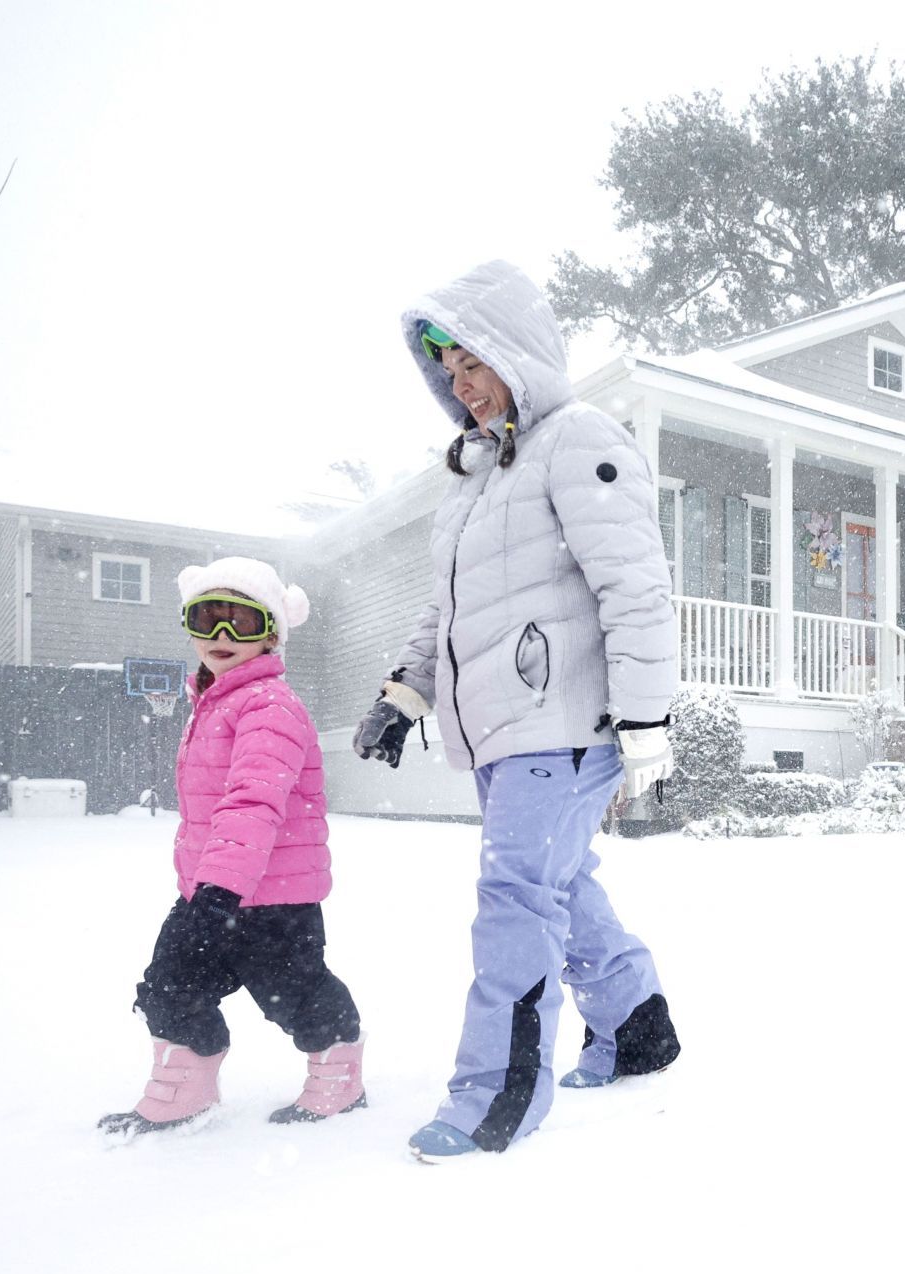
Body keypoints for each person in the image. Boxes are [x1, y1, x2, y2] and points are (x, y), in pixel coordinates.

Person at [352, 260, 681, 1163]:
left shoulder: (577, 439)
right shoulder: (476, 478)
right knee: (556, 886)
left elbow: (636, 585)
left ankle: (498, 1094)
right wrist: (403, 695)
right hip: (502, 732)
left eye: (474, 363)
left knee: (515, 899)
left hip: (565, 723)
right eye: (447, 372)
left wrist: (647, 720)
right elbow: (447, 611)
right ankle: (637, 1022)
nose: (462, 386)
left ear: (516, 353)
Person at [99, 557, 366, 1138]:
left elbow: (252, 803)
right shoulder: (215, 702)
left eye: (240, 623)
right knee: (170, 984)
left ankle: (340, 1076)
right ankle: (183, 1091)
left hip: (273, 897)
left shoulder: (269, 705)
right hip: (211, 889)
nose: (221, 637)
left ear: (270, 634)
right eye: (207, 618)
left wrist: (217, 892)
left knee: (294, 994)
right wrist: (208, 889)